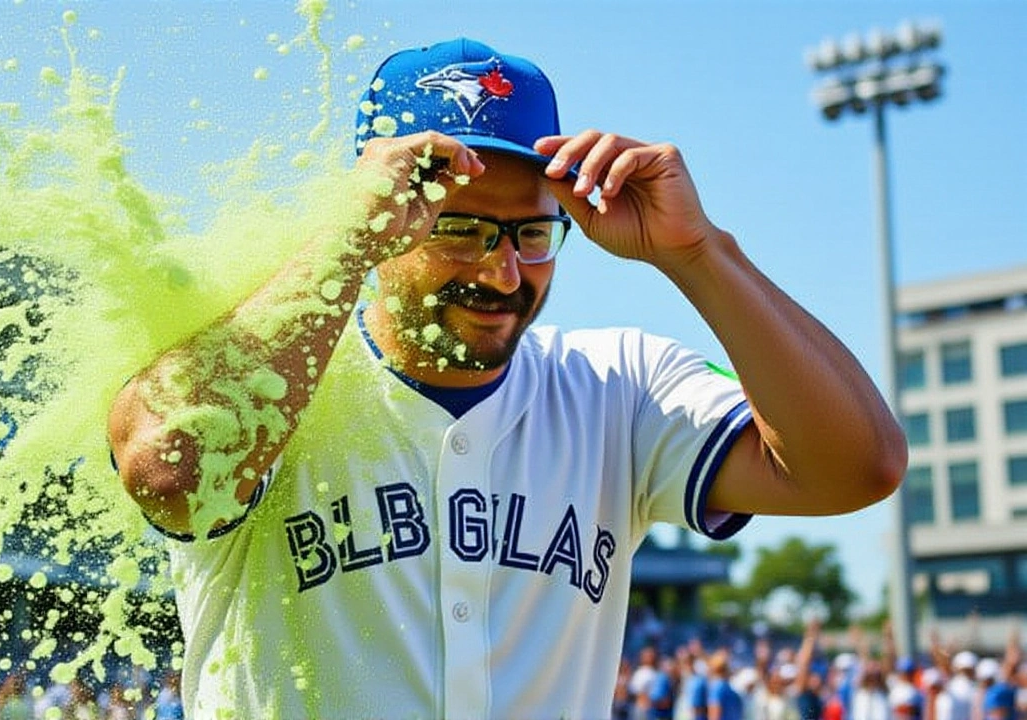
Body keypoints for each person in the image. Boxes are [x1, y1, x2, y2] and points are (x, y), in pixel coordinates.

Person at [108, 37, 907, 718]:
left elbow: (857, 467)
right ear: (377, 218)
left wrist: (699, 254)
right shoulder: (272, 379)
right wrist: (338, 242)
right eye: (457, 229)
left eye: (530, 232)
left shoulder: (616, 383)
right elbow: (168, 470)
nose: (501, 273)